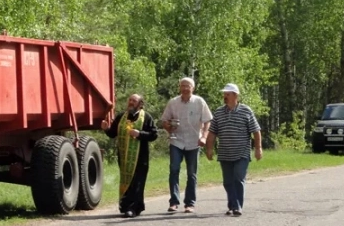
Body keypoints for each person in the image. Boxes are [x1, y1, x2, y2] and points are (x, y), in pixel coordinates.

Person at [205, 83, 262, 217]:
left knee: (238, 178)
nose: (225, 96)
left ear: (235, 95)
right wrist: (209, 149)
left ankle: (237, 206)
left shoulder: (246, 111)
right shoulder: (219, 112)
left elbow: (256, 131)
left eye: (228, 94)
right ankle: (232, 205)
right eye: (224, 94)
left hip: (241, 152)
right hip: (225, 153)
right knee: (227, 182)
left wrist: (258, 148)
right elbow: (212, 132)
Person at [160, 77, 213, 213]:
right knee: (174, 170)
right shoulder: (173, 102)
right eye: (182, 86)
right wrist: (168, 127)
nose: (184, 88)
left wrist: (204, 137)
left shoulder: (199, 102)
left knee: (192, 174)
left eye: (187, 86)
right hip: (176, 140)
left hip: (194, 142)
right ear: (179, 88)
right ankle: (174, 202)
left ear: (193, 88)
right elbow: (164, 120)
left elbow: (208, 121)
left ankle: (190, 203)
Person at [101, 94, 158, 218]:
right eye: (130, 100)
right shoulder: (122, 116)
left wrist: (140, 134)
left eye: (134, 101)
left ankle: (134, 208)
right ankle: (125, 206)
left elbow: (154, 135)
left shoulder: (146, 117)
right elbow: (112, 133)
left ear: (140, 104)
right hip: (124, 157)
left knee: (137, 182)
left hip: (140, 158)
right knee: (126, 181)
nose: (131, 102)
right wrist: (106, 129)